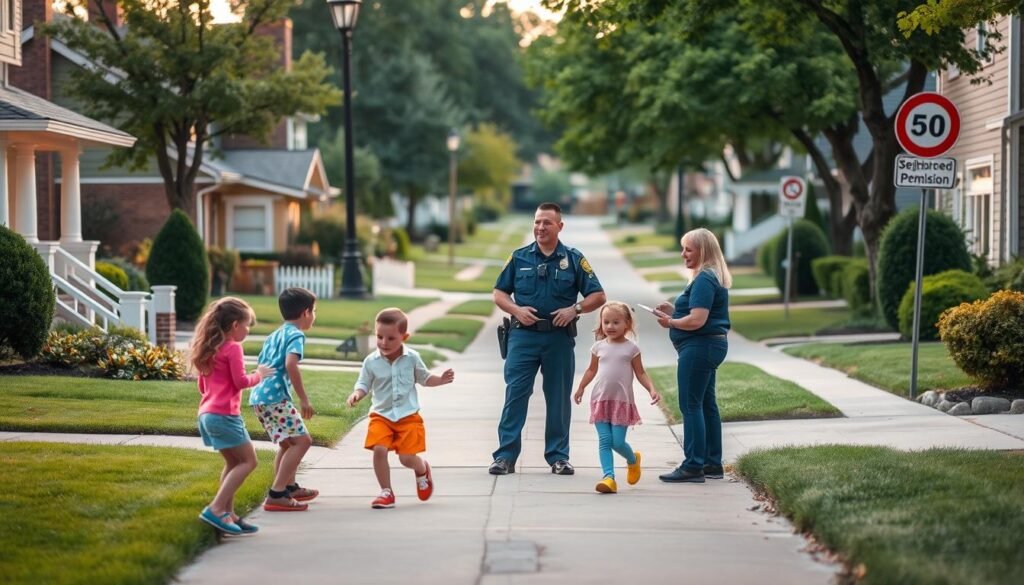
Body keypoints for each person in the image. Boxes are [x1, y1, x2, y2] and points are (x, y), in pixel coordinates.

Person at [490, 202, 606, 476]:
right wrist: (516, 309)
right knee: (515, 396)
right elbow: (499, 293)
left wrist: (574, 309)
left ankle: (558, 457)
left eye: (547, 223)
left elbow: (598, 296)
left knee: (558, 399)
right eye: (537, 222)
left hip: (558, 339)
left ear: (559, 226)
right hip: (522, 338)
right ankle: (505, 457)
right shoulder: (519, 258)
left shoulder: (574, 259)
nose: (540, 227)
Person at [346, 308, 455, 508]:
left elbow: (425, 378)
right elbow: (363, 384)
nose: (384, 343)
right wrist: (357, 394)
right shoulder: (371, 361)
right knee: (379, 449)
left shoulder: (412, 358)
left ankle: (422, 470)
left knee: (406, 459)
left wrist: (440, 380)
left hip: (408, 416)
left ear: (404, 337)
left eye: (390, 338)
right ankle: (386, 492)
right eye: (379, 337)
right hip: (381, 415)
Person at [654, 228, 731, 483]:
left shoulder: (704, 279)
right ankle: (711, 463)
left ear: (703, 251)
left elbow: (698, 320)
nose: (683, 254)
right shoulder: (709, 276)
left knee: (691, 404)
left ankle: (693, 465)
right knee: (706, 404)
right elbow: (700, 312)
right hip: (709, 346)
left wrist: (671, 322)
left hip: (700, 347)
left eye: (688, 249)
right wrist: (675, 311)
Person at [191, 297, 274, 535]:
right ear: (235, 325)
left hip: (207, 414)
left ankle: (230, 515)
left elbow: (202, 386)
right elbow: (240, 382)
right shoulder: (233, 348)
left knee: (232, 462)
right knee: (249, 461)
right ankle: (216, 509)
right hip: (224, 415)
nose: (248, 330)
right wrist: (258, 374)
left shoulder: (209, 348)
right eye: (247, 325)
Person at [573, 301, 661, 494]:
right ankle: (609, 478)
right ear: (601, 324)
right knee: (605, 440)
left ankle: (633, 460)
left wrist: (652, 389)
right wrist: (580, 387)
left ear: (627, 324)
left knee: (617, 442)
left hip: (621, 402)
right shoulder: (598, 347)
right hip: (600, 400)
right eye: (606, 322)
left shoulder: (632, 349)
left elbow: (641, 373)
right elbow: (591, 370)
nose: (610, 326)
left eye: (616, 322)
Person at [249, 287, 319, 511]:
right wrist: (304, 399)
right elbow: (291, 364)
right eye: (314, 310)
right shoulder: (296, 334)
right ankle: (277, 493)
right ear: (306, 312)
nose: (314, 316)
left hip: (259, 397)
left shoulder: (275, 334)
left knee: (288, 443)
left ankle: (289, 488)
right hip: (275, 398)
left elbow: (261, 362)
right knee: (304, 441)